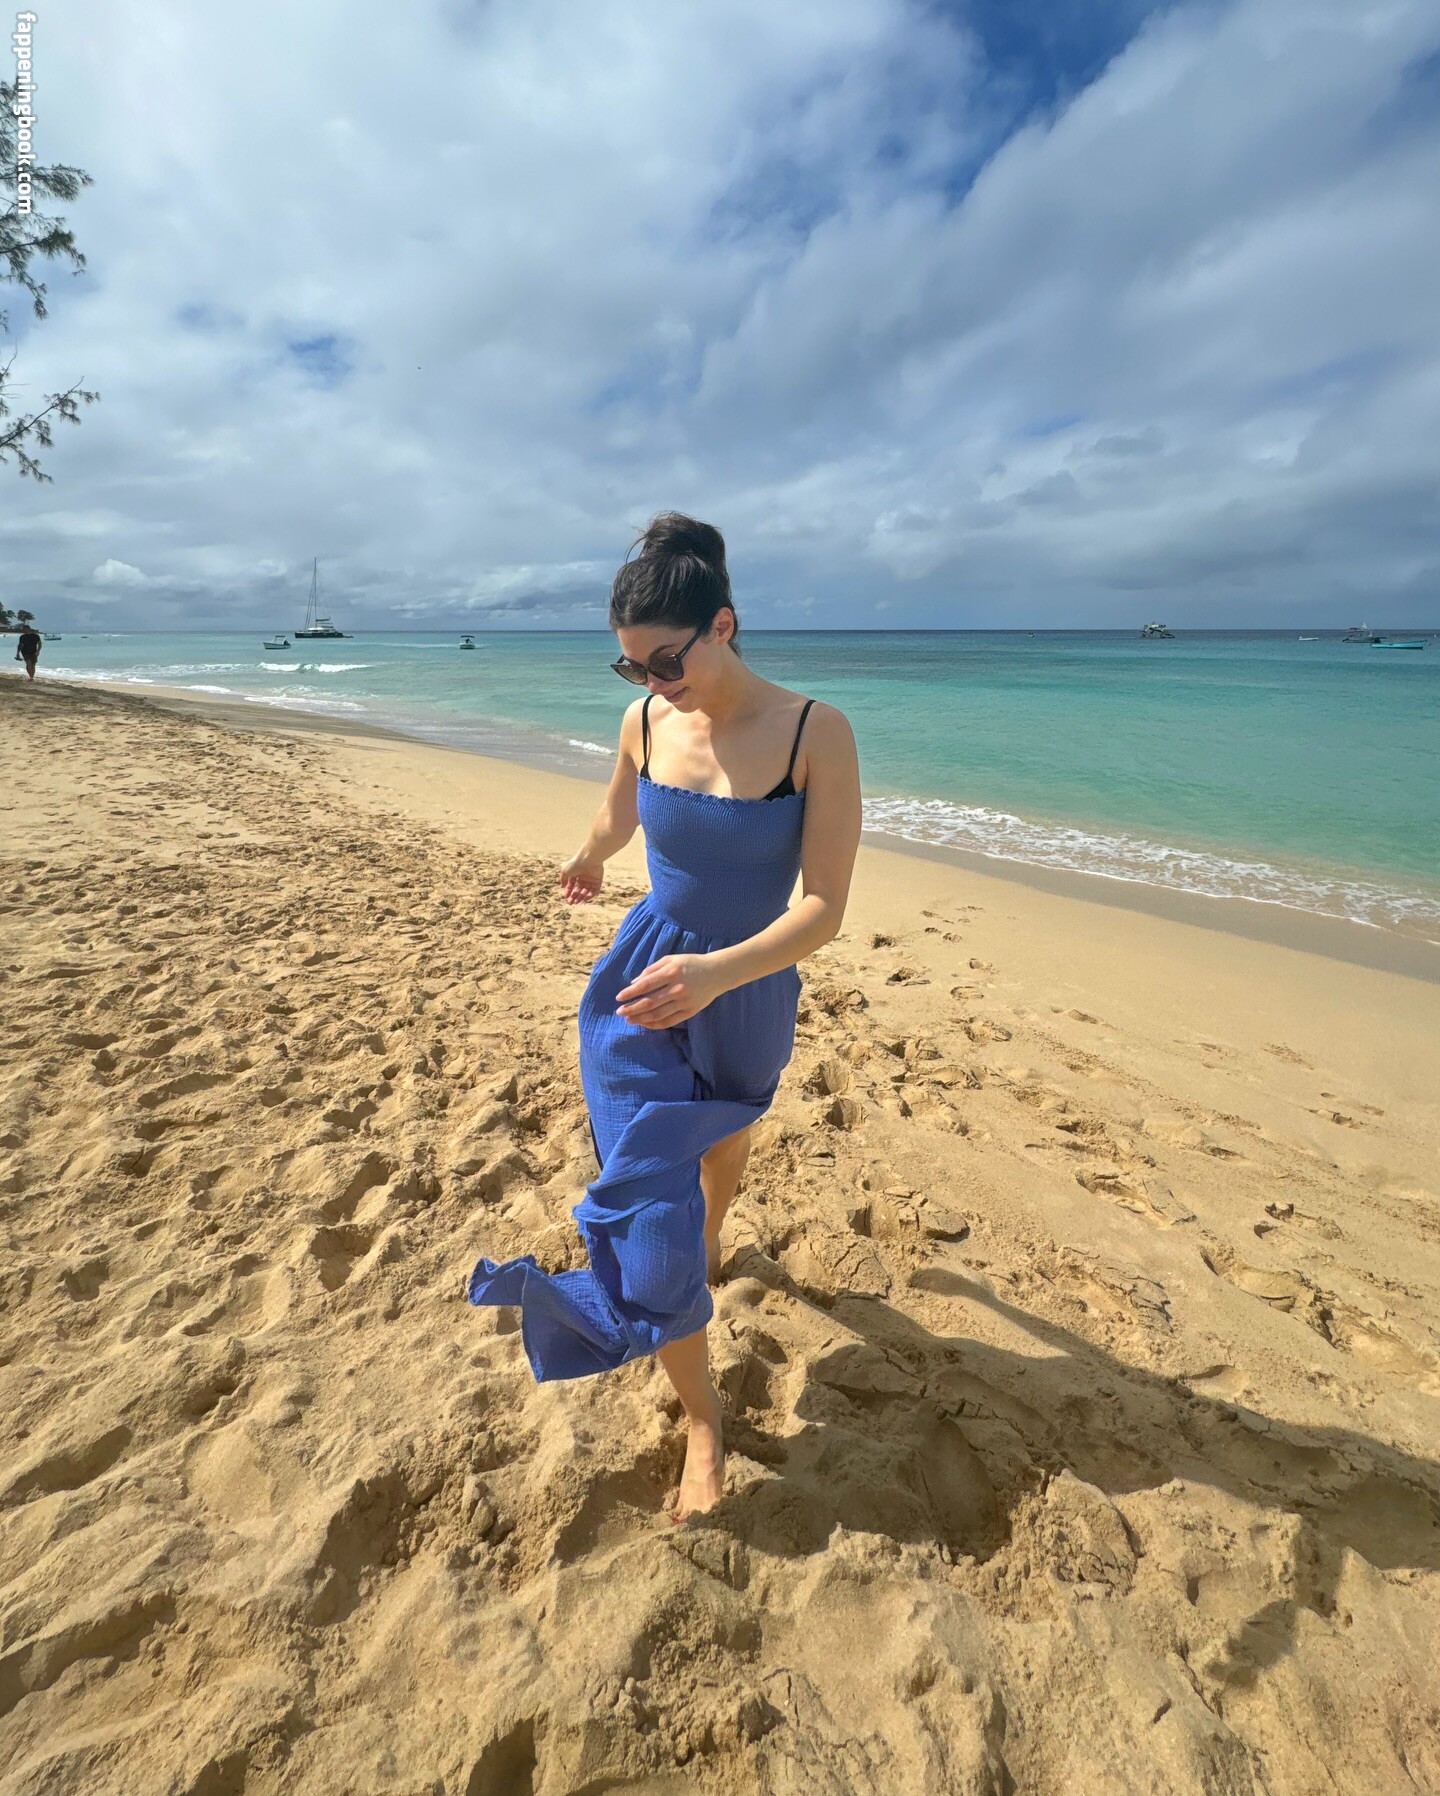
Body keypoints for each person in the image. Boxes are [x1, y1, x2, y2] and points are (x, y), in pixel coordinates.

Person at [466, 512, 862, 1518]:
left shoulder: (815, 732)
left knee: (722, 1147)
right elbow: (620, 809)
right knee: (654, 1218)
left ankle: (710, 1231)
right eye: (631, 666)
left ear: (722, 625)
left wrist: (720, 974)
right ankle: (703, 1416)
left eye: (665, 662)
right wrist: (592, 853)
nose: (651, 682)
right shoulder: (645, 721)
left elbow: (824, 906)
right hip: (642, 987)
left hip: (747, 984)